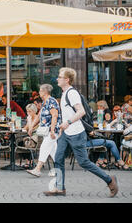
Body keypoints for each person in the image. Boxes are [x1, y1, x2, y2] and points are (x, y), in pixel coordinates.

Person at [44, 67, 118, 197]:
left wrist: (68, 123)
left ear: (67, 80)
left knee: (83, 162)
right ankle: (60, 188)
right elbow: (68, 114)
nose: (57, 78)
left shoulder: (72, 93)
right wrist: (62, 129)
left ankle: (109, 180)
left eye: (60, 77)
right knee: (58, 158)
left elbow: (81, 111)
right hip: (66, 133)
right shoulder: (64, 92)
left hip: (76, 133)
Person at [26, 84, 62, 177]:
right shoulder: (45, 102)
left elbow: (55, 115)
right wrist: (31, 126)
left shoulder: (52, 101)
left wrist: (53, 130)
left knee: (44, 147)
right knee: (54, 151)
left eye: (40, 91)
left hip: (51, 130)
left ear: (45, 92)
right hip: (47, 130)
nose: (39, 92)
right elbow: (39, 116)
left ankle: (37, 169)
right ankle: (59, 170)